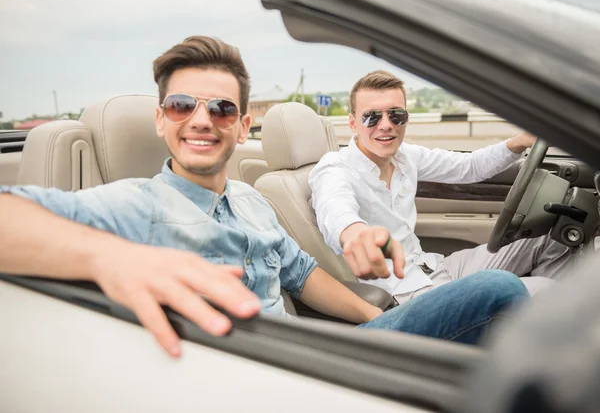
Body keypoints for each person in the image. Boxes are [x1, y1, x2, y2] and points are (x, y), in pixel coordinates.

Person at [0, 37, 529, 358]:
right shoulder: (134, 203)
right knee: (499, 291)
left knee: (495, 299)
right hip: (267, 371)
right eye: (183, 105)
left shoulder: (251, 200)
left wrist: (384, 327)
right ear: (162, 119)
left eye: (222, 109)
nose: (203, 119)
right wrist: (108, 254)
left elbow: (303, 275)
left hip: (323, 351)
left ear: (242, 124)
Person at [309, 70, 570, 306]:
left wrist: (520, 141)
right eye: (371, 117)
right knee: (546, 291)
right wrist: (354, 233)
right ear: (353, 123)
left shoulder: (406, 156)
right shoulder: (334, 169)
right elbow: (335, 208)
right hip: (407, 296)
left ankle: (537, 334)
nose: (386, 124)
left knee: (554, 235)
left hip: (434, 267)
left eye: (396, 115)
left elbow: (469, 166)